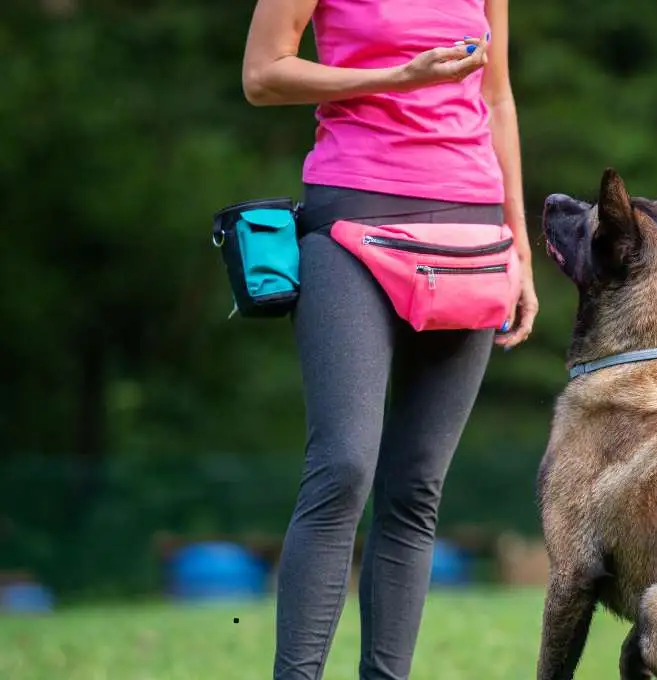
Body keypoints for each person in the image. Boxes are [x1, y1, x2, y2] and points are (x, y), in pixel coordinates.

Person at [240, 1, 537, 678]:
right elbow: (262, 75)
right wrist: (396, 78)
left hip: (470, 232)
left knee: (415, 488)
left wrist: (518, 243)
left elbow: (497, 96)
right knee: (343, 466)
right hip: (352, 216)